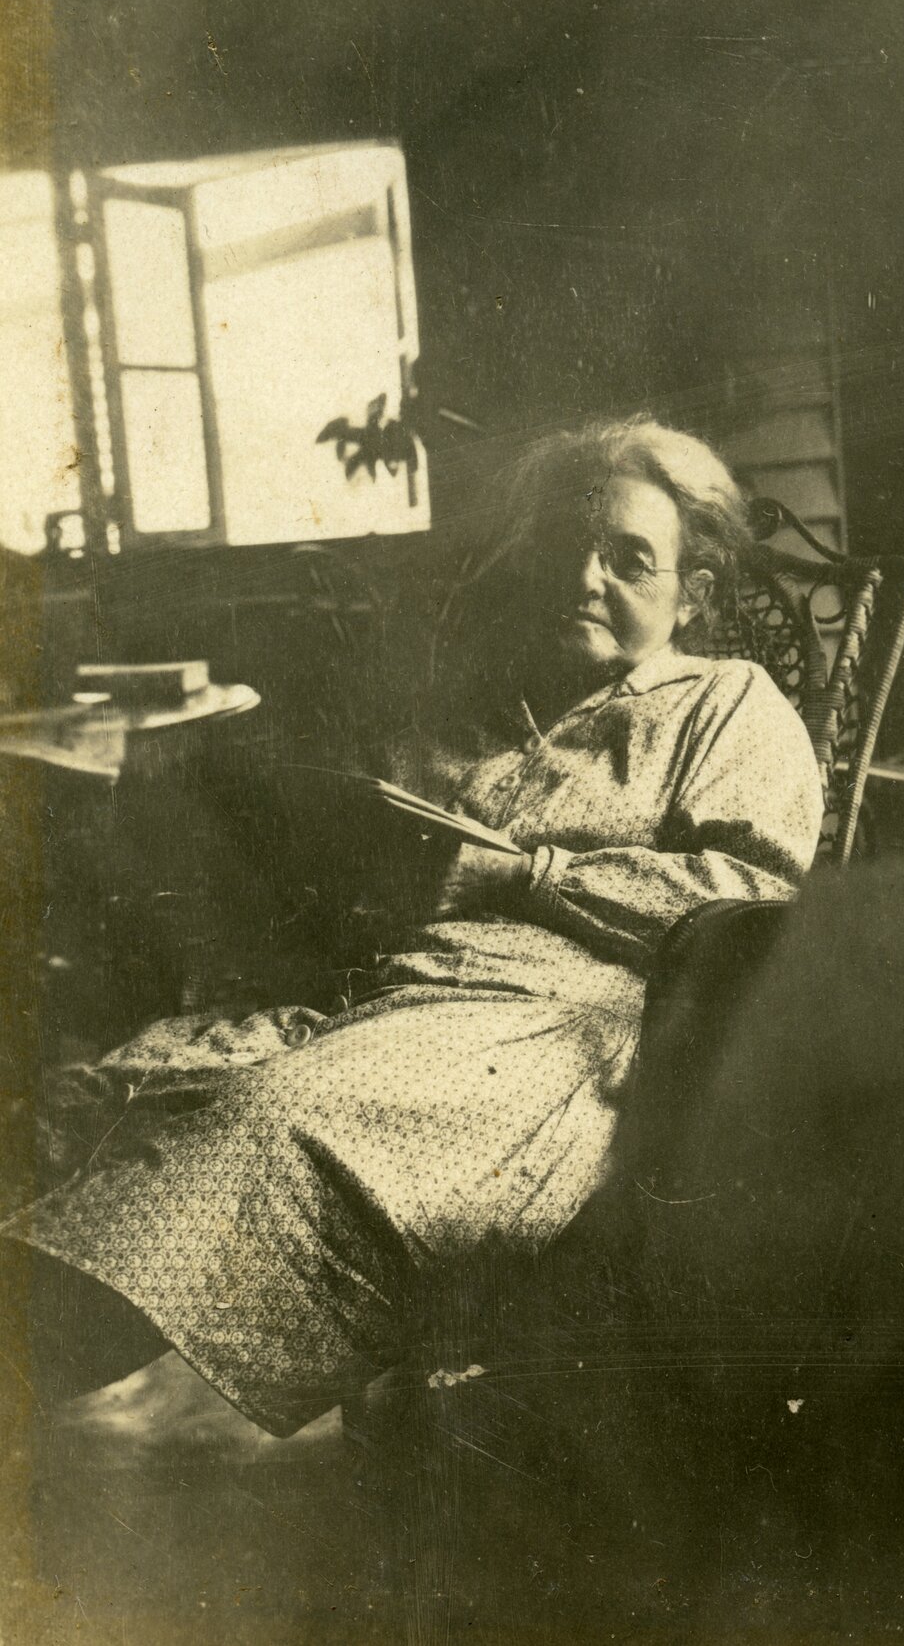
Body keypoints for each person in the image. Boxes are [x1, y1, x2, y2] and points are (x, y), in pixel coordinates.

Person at [2, 415, 823, 1455]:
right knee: (114, 1089)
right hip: (386, 993)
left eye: (628, 558)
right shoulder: (486, 700)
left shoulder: (726, 703)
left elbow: (749, 897)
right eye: (570, 547)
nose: (586, 577)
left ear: (691, 593)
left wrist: (528, 873)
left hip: (556, 1028)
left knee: (271, 1120)